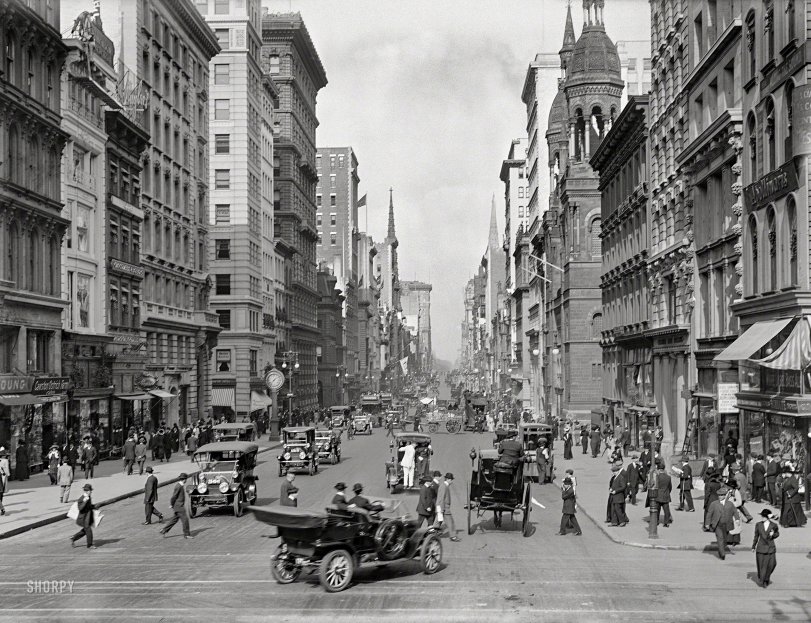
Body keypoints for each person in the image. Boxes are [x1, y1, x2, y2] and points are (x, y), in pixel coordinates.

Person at [706, 488, 736, 560]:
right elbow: (709, 513)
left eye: (722, 495)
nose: (720, 496)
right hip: (717, 525)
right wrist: (707, 523)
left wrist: (737, 519)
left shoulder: (730, 504)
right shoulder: (714, 504)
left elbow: (734, 511)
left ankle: (721, 549)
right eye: (719, 495)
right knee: (720, 538)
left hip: (726, 524)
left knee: (724, 539)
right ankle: (722, 554)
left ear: (725, 496)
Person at [752, 509, 779, 588]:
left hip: (771, 548)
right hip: (761, 548)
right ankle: (764, 580)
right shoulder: (758, 525)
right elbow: (756, 536)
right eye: (762, 516)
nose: (762, 518)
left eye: (764, 516)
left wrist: (773, 534)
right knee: (762, 566)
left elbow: (777, 533)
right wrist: (753, 546)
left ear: (768, 517)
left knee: (772, 564)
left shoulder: (774, 525)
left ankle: (766, 578)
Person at [160, 473, 192, 538]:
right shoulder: (178, 486)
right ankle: (187, 534)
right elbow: (174, 497)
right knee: (185, 520)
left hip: (178, 506)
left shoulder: (180, 485)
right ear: (184, 479)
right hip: (179, 506)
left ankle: (164, 530)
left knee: (174, 520)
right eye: (186, 479)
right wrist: (171, 504)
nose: (186, 480)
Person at [70, 483, 96, 549]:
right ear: (87, 491)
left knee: (85, 530)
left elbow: (89, 506)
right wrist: (85, 501)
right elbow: (80, 508)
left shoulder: (88, 497)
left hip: (88, 517)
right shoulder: (81, 499)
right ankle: (89, 545)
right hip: (84, 518)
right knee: (88, 530)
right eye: (90, 491)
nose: (91, 492)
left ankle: (73, 538)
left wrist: (94, 507)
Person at [435, 472, 459, 541]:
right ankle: (453, 536)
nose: (451, 481)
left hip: (442, 508)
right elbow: (441, 498)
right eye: (451, 479)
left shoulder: (445, 486)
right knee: (450, 522)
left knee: (437, 522)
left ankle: (432, 535)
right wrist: (441, 509)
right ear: (448, 479)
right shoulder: (444, 486)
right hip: (444, 508)